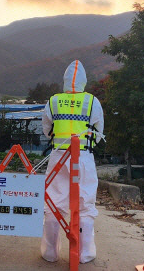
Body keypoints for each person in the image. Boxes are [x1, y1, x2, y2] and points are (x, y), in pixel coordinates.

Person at [40, 60, 104, 264]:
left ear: (65, 81)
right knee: (85, 203)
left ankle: (50, 253)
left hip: (58, 156)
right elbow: (99, 131)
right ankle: (84, 253)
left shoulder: (53, 101)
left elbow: (46, 129)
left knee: (53, 203)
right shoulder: (92, 101)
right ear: (84, 81)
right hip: (83, 156)